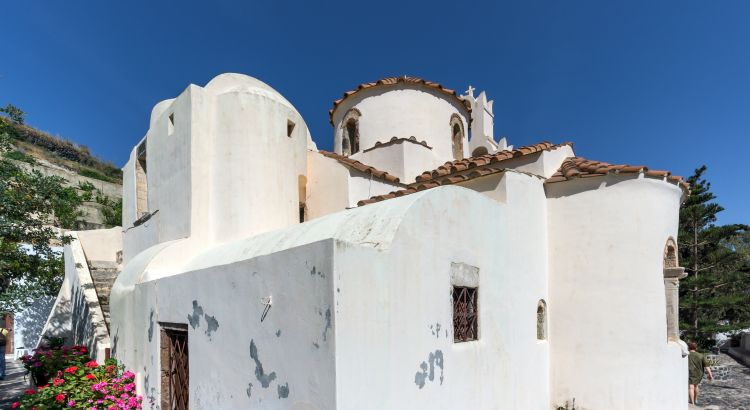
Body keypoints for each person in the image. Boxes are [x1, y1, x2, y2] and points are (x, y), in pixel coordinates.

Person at [687, 341, 714, 405]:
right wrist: (710, 375)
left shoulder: (687, 355)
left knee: (691, 387)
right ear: (696, 348)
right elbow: (707, 366)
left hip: (690, 373)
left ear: (688, 348)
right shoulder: (701, 355)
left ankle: (692, 403)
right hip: (699, 373)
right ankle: (695, 399)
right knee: (696, 386)